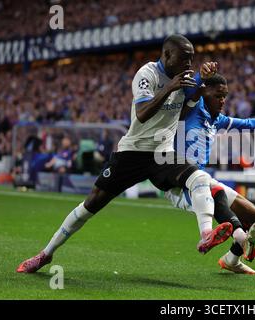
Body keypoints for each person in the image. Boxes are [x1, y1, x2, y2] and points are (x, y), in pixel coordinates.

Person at [17, 34, 230, 273]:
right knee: (91, 205)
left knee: (199, 178)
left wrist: (195, 94)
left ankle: (205, 234)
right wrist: (171, 88)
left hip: (162, 153)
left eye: (192, 60)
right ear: (168, 55)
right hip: (133, 152)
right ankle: (46, 254)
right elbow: (142, 113)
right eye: (184, 59)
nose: (189, 65)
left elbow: (178, 116)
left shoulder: (187, 80)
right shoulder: (147, 75)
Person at [165, 74, 255, 274]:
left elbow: (249, 124)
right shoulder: (191, 110)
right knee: (219, 196)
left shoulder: (218, 120)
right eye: (217, 95)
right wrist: (200, 76)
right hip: (180, 184)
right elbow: (189, 89)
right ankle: (221, 235)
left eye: (225, 96)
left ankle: (231, 260)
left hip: (202, 180)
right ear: (205, 93)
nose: (222, 100)